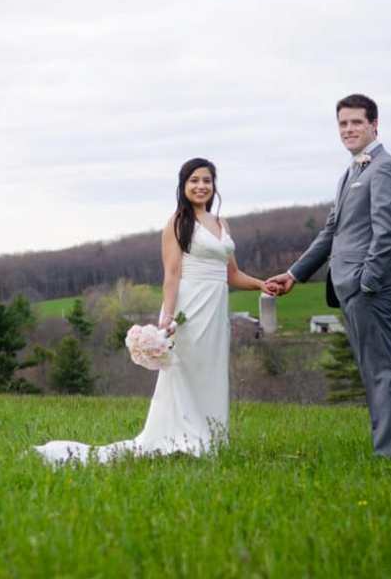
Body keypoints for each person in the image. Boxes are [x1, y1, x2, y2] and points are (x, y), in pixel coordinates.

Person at [34, 158, 278, 465]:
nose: (201, 186)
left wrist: (262, 284)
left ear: (214, 185)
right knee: (185, 369)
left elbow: (231, 275)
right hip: (189, 306)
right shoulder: (177, 222)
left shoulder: (221, 223)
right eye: (194, 180)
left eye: (207, 180)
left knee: (210, 371)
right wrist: (169, 317)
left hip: (216, 308)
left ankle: (211, 435)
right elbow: (172, 274)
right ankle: (184, 436)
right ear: (183, 185)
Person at [267, 94, 391, 458]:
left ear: (374, 124)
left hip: (370, 288)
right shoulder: (352, 171)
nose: (349, 129)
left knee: (382, 372)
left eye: (356, 123)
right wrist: (294, 274)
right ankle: (389, 450)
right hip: (347, 285)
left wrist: (368, 281)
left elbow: (386, 234)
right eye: (343, 124)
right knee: (371, 372)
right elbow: (331, 232)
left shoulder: (385, 168)